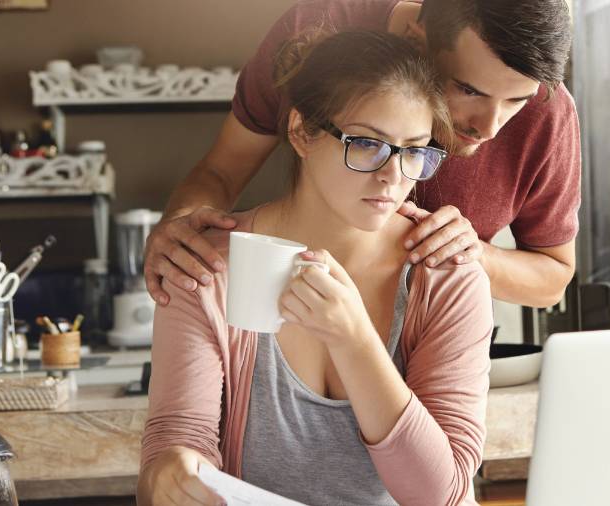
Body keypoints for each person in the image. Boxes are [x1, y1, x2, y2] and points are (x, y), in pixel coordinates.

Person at [137, 30, 493, 506]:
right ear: (302, 131)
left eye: (414, 151)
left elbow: (441, 494)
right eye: (368, 144)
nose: (393, 175)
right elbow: (176, 443)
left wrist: (355, 341)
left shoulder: (447, 275)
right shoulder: (207, 268)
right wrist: (170, 472)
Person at [144, 0, 580, 310]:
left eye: (517, 100)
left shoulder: (549, 108)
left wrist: (478, 255)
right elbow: (222, 169)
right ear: (417, 41)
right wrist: (180, 228)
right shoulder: (314, 30)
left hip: (433, 343)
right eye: (468, 90)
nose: (489, 127)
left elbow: (553, 279)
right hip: (288, 319)